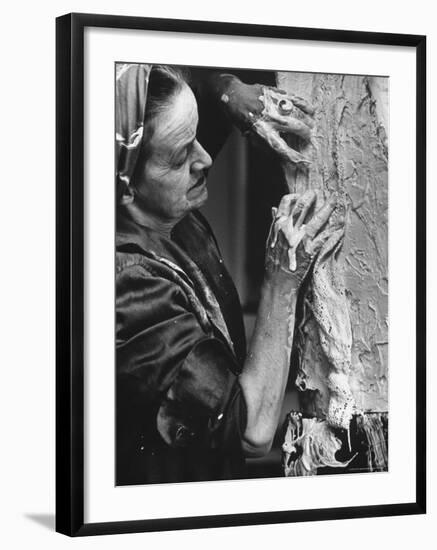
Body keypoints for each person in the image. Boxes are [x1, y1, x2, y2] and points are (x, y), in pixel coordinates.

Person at [115, 63, 340, 485]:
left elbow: (193, 103)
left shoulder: (165, 198)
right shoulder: (128, 288)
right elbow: (252, 430)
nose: (204, 158)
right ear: (126, 186)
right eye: (182, 155)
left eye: (199, 135)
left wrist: (228, 92)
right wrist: (281, 279)